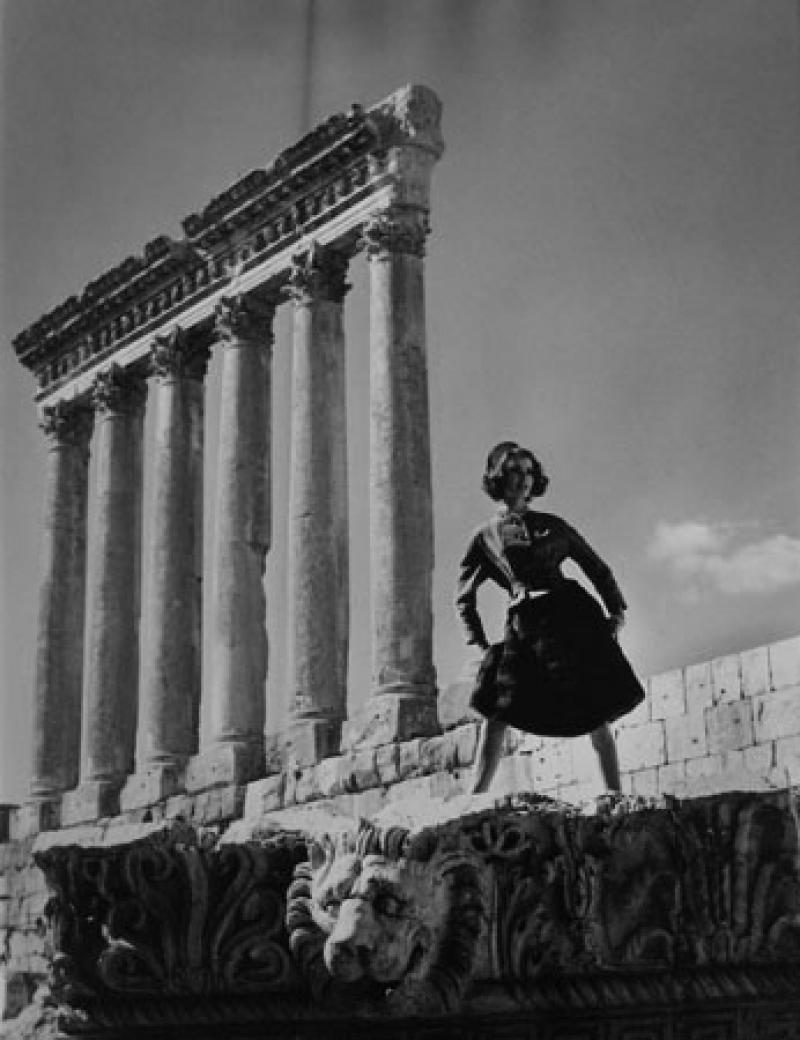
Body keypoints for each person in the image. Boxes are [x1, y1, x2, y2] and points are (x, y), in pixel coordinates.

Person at [455, 441, 645, 795]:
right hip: (523, 624)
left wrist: (616, 611)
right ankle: (475, 796)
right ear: (498, 478)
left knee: (593, 709)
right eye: (514, 471)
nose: (523, 480)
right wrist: (480, 644)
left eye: (529, 472)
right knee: (497, 710)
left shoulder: (554, 525)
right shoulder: (484, 537)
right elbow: (464, 598)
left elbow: (596, 567)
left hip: (569, 616)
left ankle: (614, 793)